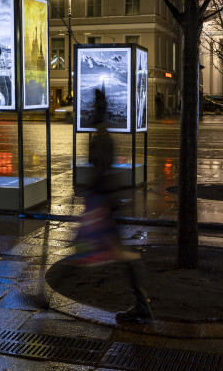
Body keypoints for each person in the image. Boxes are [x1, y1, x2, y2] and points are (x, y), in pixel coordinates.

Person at [70, 89, 152, 323]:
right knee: (117, 251)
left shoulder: (102, 138)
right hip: (106, 200)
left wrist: (91, 196)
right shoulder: (102, 135)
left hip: (105, 202)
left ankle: (141, 304)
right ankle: (141, 301)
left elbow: (101, 170)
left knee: (118, 252)